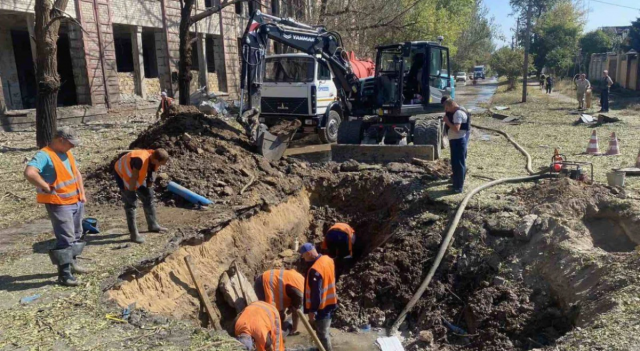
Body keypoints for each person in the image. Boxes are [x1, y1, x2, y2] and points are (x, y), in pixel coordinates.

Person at [24, 127, 87, 287]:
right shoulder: (44, 155)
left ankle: (72, 264)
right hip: (60, 204)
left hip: (76, 200)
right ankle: (64, 275)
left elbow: (76, 173)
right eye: (70, 144)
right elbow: (30, 173)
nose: (72, 147)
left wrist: (82, 194)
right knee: (65, 238)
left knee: (77, 234)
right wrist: (45, 186)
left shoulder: (66, 153)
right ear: (61, 140)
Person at [114, 149, 169, 243]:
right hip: (123, 174)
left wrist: (149, 188)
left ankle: (153, 225)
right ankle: (134, 235)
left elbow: (151, 174)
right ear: (156, 160)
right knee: (131, 205)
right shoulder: (140, 160)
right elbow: (133, 178)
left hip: (134, 174)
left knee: (149, 197)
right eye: (161, 163)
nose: (162, 166)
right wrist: (131, 193)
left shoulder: (153, 157)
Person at [299, 243, 337, 351]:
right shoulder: (327, 259)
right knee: (323, 331)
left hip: (322, 306)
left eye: (304, 256)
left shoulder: (315, 270)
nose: (303, 258)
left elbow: (316, 293)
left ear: (309, 253)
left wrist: (312, 311)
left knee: (322, 334)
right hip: (331, 301)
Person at [254, 269, 305, 336]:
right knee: (270, 313)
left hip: (272, 281)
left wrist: (291, 307)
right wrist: (294, 329)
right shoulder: (300, 295)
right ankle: (266, 334)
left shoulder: (302, 280)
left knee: (279, 314)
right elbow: (296, 312)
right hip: (263, 284)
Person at [443, 99, 470, 193]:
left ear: (451, 106)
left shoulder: (458, 113)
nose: (446, 110)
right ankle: (455, 184)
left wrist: (447, 121)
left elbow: (456, 129)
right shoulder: (457, 112)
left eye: (447, 108)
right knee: (455, 164)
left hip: (458, 141)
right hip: (455, 141)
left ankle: (459, 187)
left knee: (459, 164)